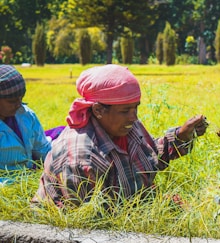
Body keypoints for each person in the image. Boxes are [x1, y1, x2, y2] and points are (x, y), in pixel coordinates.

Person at [32, 64, 208, 207]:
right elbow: (89, 222)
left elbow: (149, 157)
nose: (134, 117)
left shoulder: (124, 125)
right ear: (99, 110)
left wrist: (181, 137)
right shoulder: (80, 158)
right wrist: (156, 207)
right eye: (125, 111)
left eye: (135, 108)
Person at [0, 65, 51, 174]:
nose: (19, 105)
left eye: (21, 99)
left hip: (29, 174)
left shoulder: (27, 115)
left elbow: (42, 149)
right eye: (12, 101)